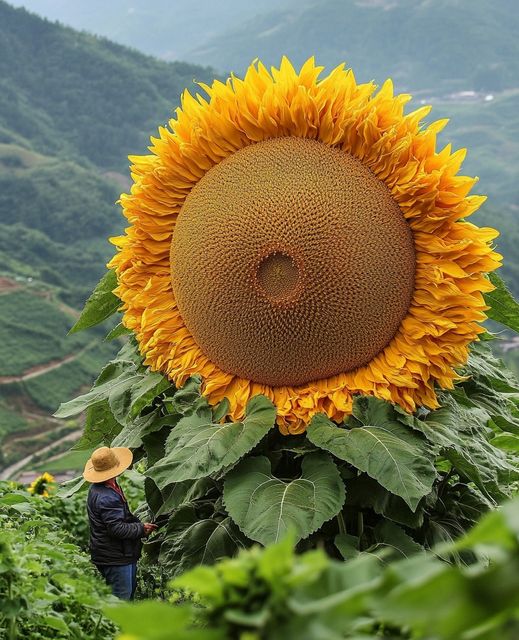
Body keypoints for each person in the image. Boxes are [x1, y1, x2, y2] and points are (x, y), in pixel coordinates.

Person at [82, 446, 157, 600]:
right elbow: (117, 529)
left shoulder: (103, 487)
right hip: (114, 556)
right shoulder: (107, 497)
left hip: (115, 552)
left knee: (126, 595)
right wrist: (141, 529)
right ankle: (115, 625)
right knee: (121, 599)